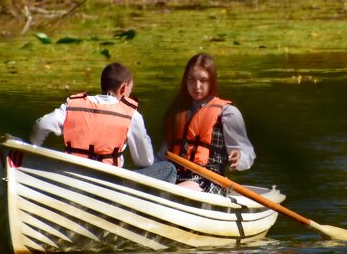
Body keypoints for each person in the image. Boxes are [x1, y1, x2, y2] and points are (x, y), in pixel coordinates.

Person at [30, 62, 177, 183]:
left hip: (71, 178)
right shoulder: (132, 115)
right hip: (109, 184)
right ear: (124, 88)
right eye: (130, 91)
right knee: (169, 169)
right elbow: (145, 161)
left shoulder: (72, 105)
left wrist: (34, 146)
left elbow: (41, 125)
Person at [163, 53, 255, 193]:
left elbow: (248, 153)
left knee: (171, 192)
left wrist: (239, 157)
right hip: (173, 175)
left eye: (203, 80)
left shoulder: (228, 113)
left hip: (208, 180)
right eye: (191, 79)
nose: (197, 86)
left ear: (212, 81)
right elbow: (161, 155)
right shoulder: (177, 112)